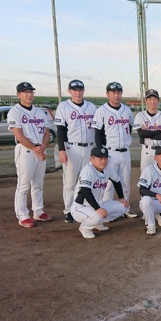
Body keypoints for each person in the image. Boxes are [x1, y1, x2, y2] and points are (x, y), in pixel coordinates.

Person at [8, 82, 53, 228]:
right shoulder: (15, 112)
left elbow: (46, 133)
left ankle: (38, 211)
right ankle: (22, 216)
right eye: (25, 92)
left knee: (38, 184)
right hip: (26, 150)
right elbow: (19, 136)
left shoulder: (40, 112)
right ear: (18, 94)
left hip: (40, 149)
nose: (29, 94)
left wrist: (43, 147)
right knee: (23, 185)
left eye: (31, 91)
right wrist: (36, 149)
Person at [91, 82, 138, 218]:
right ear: (107, 94)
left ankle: (126, 209)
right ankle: (108, 211)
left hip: (125, 151)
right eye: (113, 92)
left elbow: (130, 127)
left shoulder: (126, 110)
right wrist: (101, 153)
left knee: (125, 183)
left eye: (119, 92)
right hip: (110, 152)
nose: (116, 95)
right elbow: (98, 132)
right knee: (109, 184)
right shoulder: (101, 111)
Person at [54, 79, 97, 223]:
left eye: (80, 90)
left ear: (83, 91)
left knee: (87, 179)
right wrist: (61, 150)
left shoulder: (91, 107)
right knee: (70, 182)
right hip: (71, 148)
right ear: (69, 91)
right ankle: (69, 210)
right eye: (74, 90)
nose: (77, 93)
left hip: (89, 147)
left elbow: (97, 129)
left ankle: (85, 208)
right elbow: (60, 130)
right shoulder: (63, 106)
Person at [70, 147, 130, 239]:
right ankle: (84, 228)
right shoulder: (87, 170)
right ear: (92, 159)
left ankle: (97, 223)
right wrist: (98, 209)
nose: (103, 161)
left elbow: (116, 181)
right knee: (98, 216)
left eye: (105, 158)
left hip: (98, 204)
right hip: (81, 207)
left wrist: (121, 197)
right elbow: (85, 191)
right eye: (100, 158)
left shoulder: (107, 168)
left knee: (125, 207)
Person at [134, 89, 161, 173]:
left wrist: (148, 133)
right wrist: (159, 131)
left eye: (155, 99)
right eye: (150, 99)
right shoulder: (140, 116)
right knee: (146, 176)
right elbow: (141, 134)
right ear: (145, 101)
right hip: (146, 151)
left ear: (158, 101)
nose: (152, 101)